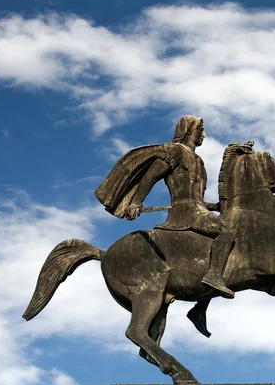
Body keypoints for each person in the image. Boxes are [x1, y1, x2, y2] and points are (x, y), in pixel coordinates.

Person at [95, 116, 235, 298]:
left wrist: (214, 206)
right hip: (185, 213)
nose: (204, 135)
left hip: (197, 209)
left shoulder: (199, 161)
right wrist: (136, 202)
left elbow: (196, 199)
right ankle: (214, 276)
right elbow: (150, 177)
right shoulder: (175, 151)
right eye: (201, 130)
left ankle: (201, 304)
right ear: (190, 131)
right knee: (227, 233)